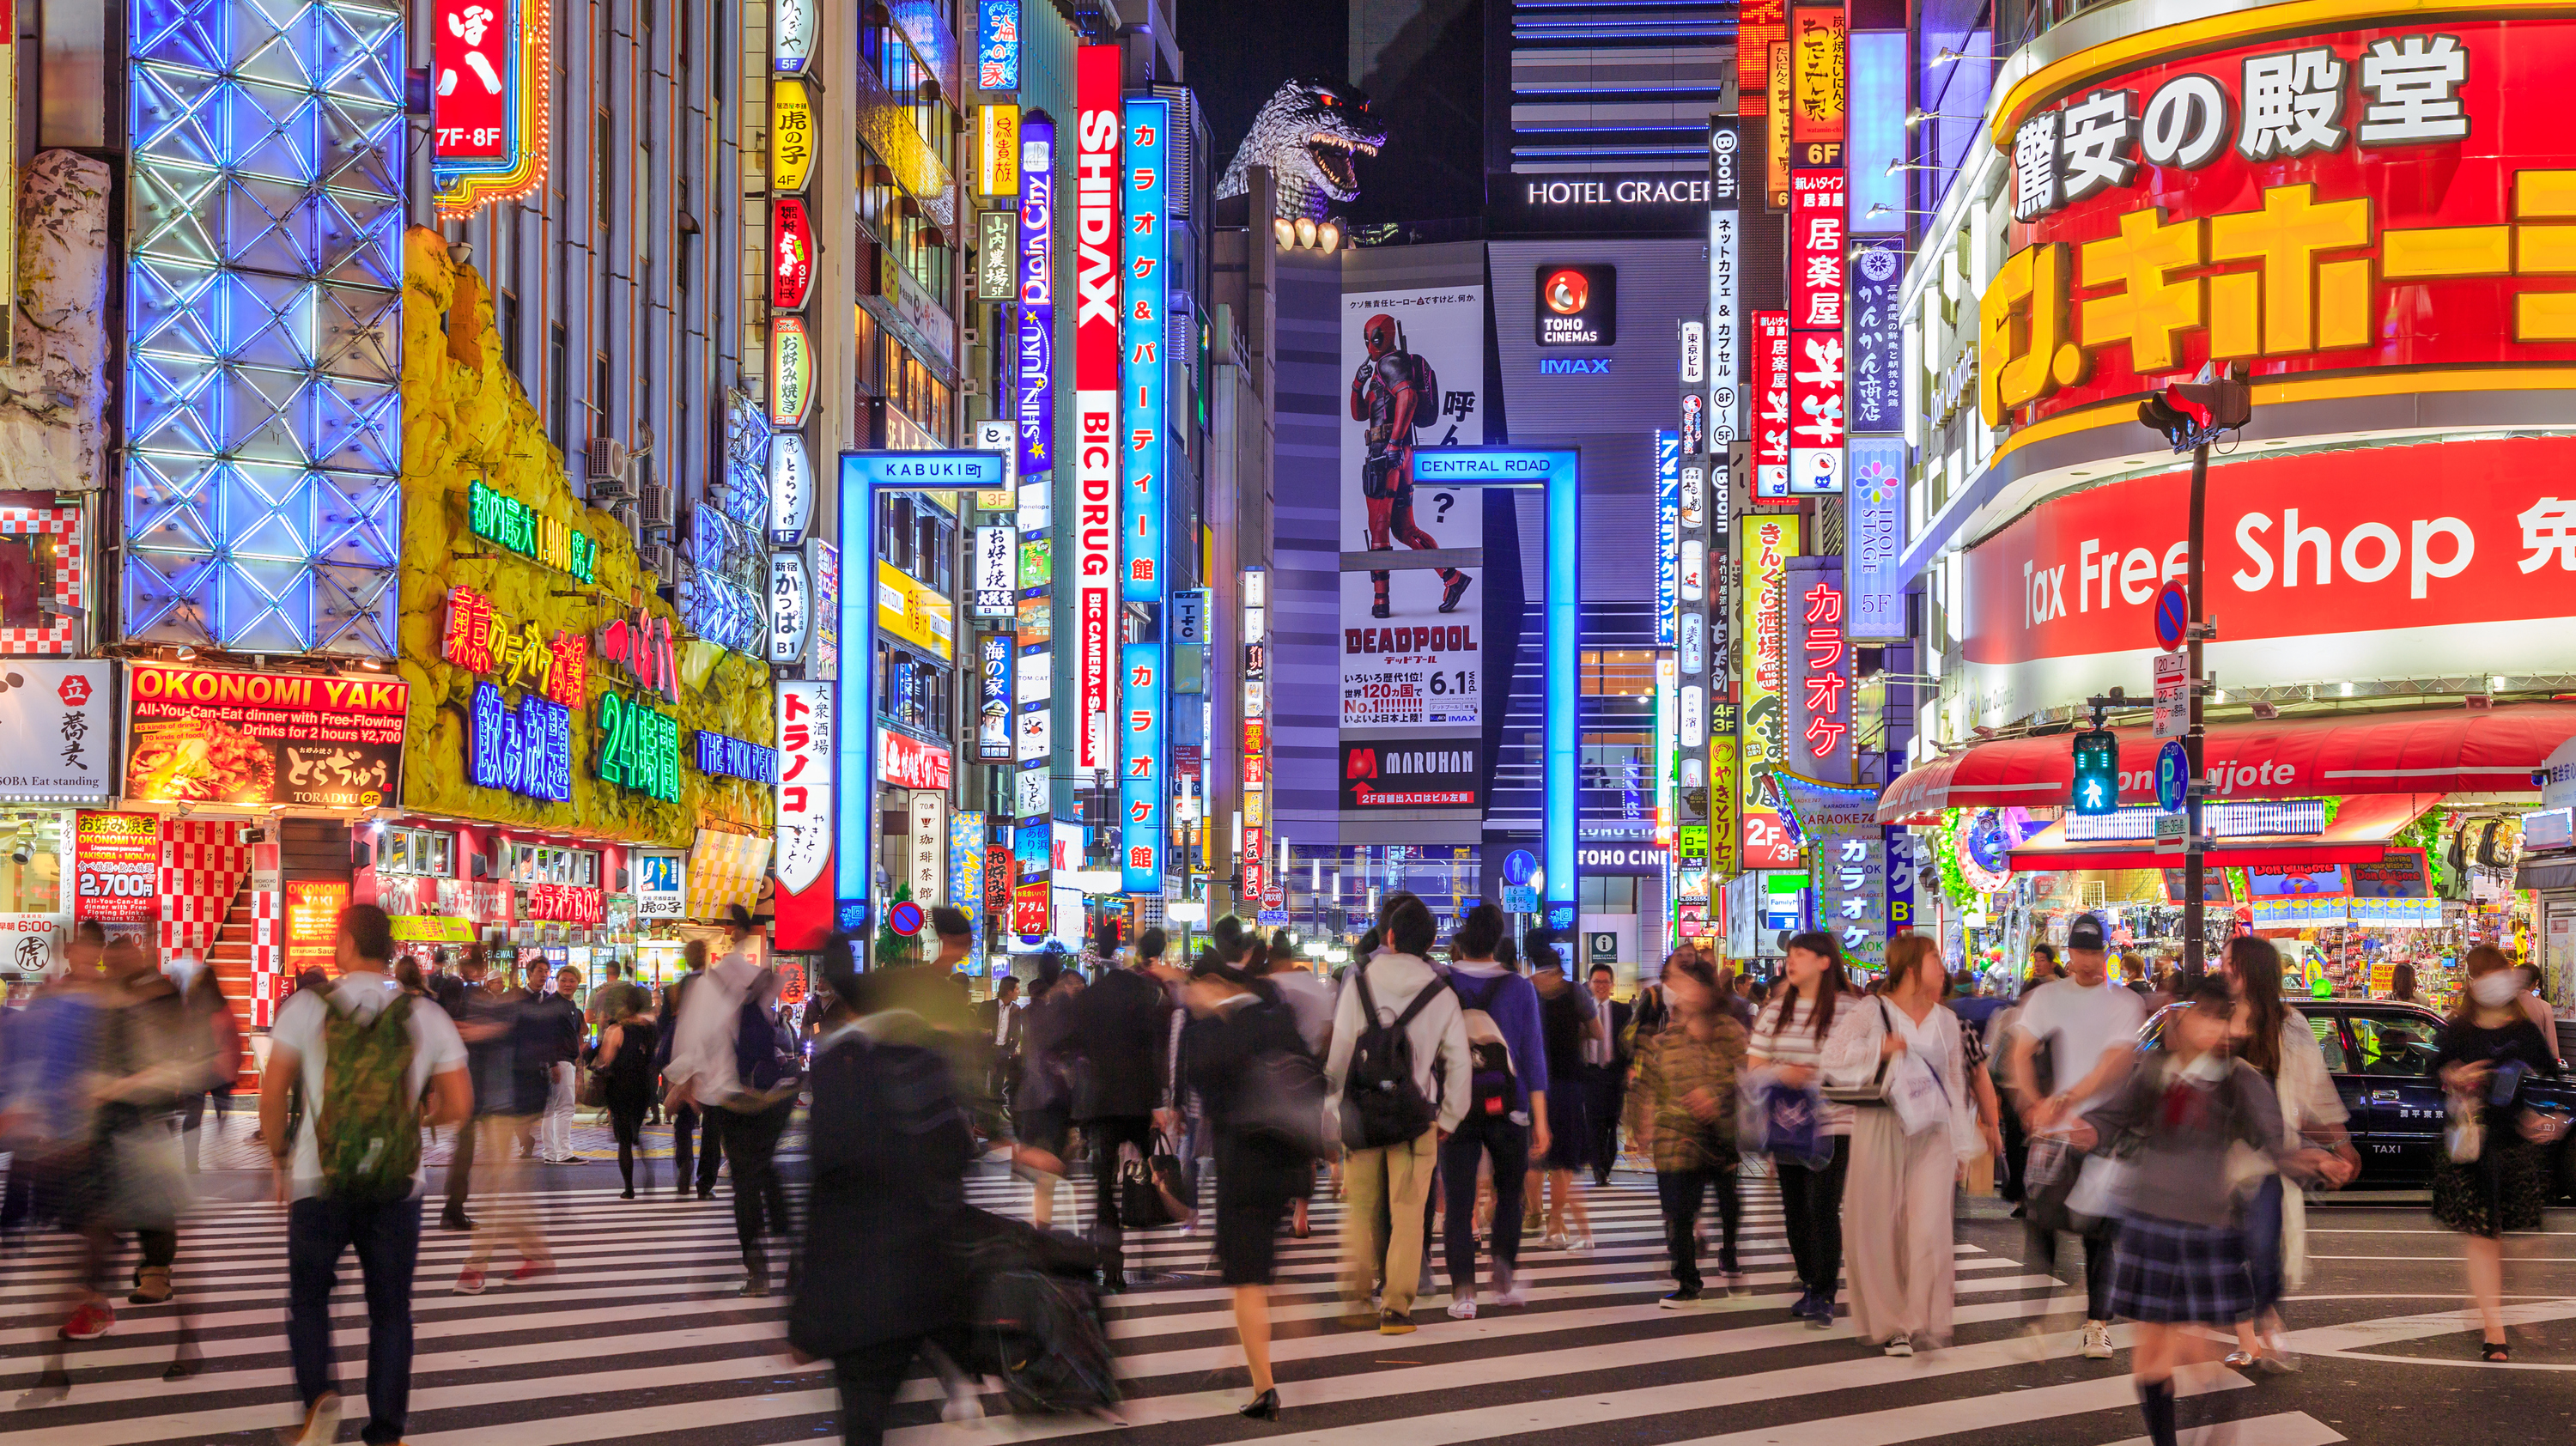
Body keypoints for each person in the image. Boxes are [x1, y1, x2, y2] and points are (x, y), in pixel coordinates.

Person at [2068, 976, 2341, 1446]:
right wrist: (2089, 1128)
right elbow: (2115, 1115)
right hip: (2149, 1220)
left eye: (2223, 1018)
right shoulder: (2154, 1070)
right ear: (2182, 1017)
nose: (2217, 1029)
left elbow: (2273, 1142)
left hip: (2207, 1226)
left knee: (2198, 1357)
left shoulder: (2238, 1079)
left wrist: (2313, 1159)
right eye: (2207, 1016)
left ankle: (2212, 1432)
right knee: (2152, 1353)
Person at [261, 903, 471, 1446]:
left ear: (347, 942)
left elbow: (273, 1092)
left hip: (318, 1177)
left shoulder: (307, 1006)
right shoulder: (425, 1014)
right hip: (398, 1185)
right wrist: (414, 1119)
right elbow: (460, 1105)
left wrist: (281, 1160)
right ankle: (386, 1432)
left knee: (309, 1297)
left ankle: (319, 1400)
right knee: (390, 1312)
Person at [790, 934, 978, 1446]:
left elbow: (824, 1187)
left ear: (850, 1012)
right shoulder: (929, 1064)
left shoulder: (840, 1073)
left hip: (858, 1281)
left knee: (864, 1419)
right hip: (925, 1273)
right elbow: (960, 1161)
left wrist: (805, 1314)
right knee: (878, 1411)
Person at [1826, 934, 2000, 1354]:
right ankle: (1891, 1322)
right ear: (1909, 969)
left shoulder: (1946, 1020)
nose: (1942, 966)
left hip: (1933, 1131)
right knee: (1881, 1226)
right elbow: (1832, 1058)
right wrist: (1878, 1049)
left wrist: (1962, 1145)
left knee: (1927, 1228)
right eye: (1934, 958)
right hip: (1882, 1127)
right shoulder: (1873, 1010)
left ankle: (1915, 1317)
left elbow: (1956, 1083)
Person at [1181, 946, 1317, 1419]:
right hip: (1284, 1161)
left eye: (1196, 986)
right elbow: (1310, 1076)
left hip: (1241, 1167)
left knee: (1247, 1280)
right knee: (1257, 1266)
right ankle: (1259, 1337)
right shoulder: (1275, 1017)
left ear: (1215, 983)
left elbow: (1202, 1095)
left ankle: (1264, 1388)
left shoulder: (1210, 1034)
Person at [1324, 892, 1469, 1334]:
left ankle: (1354, 1295)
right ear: (1430, 944)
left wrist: (1333, 1110)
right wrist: (1448, 1118)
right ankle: (1396, 1308)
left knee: (1362, 1207)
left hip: (1362, 1115)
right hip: (1414, 1118)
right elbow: (1459, 1061)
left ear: (1388, 936)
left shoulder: (1360, 981)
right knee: (1408, 1212)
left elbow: (1340, 1052)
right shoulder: (1440, 992)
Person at [2008, 912, 2146, 1360]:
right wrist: (2033, 1103)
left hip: (2105, 1132)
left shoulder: (2125, 1003)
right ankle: (2033, 1323)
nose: (2087, 961)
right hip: (2054, 1136)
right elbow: (2020, 1053)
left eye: (2095, 951)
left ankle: (2097, 1324)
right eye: (2080, 951)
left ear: (2108, 951)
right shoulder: (2047, 998)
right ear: (2069, 952)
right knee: (2040, 1227)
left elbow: (2116, 1061)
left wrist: (2068, 1099)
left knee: (2102, 1234)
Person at [2217, 935, 2359, 1370]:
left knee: (2262, 1250)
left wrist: (2339, 1144)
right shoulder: (2214, 1017)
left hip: (2267, 1160)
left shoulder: (2288, 1022)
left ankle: (2265, 1312)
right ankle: (2248, 1338)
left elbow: (2315, 1089)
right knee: (2226, 1251)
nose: (2223, 969)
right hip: (2218, 1158)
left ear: (2251, 971)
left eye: (2230, 963)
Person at [2433, 944, 2568, 1361]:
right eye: (2482, 974)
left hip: (2513, 1143)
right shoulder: (2459, 1028)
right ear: (2472, 982)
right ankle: (2494, 1329)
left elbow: (2550, 1072)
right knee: (2484, 1237)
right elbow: (2434, 1072)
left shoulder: (2523, 1030)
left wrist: (2544, 1116)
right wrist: (2457, 1076)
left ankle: (2497, 1301)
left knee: (2522, 1242)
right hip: (2473, 1144)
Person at [668, 904, 799, 1296]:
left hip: (733, 1096)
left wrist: (682, 1084)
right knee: (763, 1171)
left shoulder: (711, 983)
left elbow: (699, 1037)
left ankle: (759, 1269)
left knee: (746, 1181)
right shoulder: (748, 974)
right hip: (772, 1092)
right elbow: (770, 989)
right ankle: (792, 1252)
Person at [1441, 903, 1549, 1317]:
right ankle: (1503, 1275)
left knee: (1459, 1197)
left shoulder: (1442, 981)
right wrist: (1541, 1119)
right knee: (1509, 1196)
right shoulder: (1520, 988)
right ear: (1500, 941)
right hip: (1510, 1106)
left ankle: (1463, 1296)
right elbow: (1533, 1057)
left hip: (1456, 1103)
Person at [1063, 915, 1181, 1291]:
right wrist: (1160, 1102)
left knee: (1102, 1187)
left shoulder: (1087, 998)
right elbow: (1155, 1049)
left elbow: (1074, 1050)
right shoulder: (1144, 993)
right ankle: (1150, 1248)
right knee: (1152, 1169)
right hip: (1139, 1100)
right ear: (1126, 951)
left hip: (1099, 1102)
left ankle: (1113, 1268)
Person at [1749, 930, 1857, 1327]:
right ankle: (1811, 1284)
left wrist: (1820, 1075)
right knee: (1795, 1209)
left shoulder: (1850, 1010)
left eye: (1799, 954)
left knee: (1823, 1207)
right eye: (1789, 955)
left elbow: (1864, 1064)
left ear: (1824, 961)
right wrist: (1784, 1072)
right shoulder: (1775, 1011)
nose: (1790, 961)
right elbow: (1754, 1066)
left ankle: (1825, 1291)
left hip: (1834, 1123)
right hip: (1789, 1125)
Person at [1632, 949, 1749, 1308]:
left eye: (1683, 983)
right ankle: (1687, 1281)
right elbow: (1647, 1083)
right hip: (1674, 1139)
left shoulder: (1729, 1030)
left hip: (1719, 1134)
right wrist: (1641, 1123)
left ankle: (1728, 1249)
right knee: (1678, 1211)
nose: (1677, 990)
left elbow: (1748, 1076)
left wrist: (1715, 1095)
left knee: (1727, 1201)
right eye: (1672, 983)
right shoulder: (1667, 1037)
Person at [1349, 310, 1471, 618]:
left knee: (1379, 531)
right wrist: (1356, 385)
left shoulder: (1390, 363)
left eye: (1374, 337)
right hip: (1397, 453)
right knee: (1404, 529)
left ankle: (1381, 603)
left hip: (1386, 453)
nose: (1370, 344)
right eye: (1367, 338)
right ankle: (1452, 577)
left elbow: (1408, 399)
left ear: (1384, 336)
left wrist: (1391, 444)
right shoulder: (1385, 367)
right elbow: (1360, 414)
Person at [454, 957, 553, 1293]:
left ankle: (476, 1266)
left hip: (514, 1108)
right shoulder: (487, 1007)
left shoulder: (525, 1011)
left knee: (496, 1187)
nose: (494, 987)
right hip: (494, 1109)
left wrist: (488, 1030)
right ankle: (537, 1256)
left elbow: (531, 1031)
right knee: (504, 1187)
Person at [1251, 933, 1335, 1238]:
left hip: (1271, 1078)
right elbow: (1329, 1032)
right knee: (1305, 1148)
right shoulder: (1315, 986)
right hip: (1308, 1076)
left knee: (1272, 1143)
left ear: (1272, 960)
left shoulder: (1269, 988)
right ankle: (1301, 1213)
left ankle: (1275, 1201)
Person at [1529, 944, 1601, 1250]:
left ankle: (1547, 1219)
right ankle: (1556, 1223)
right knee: (1559, 1160)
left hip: (1541, 1084)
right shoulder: (1575, 993)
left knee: (1546, 1159)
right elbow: (1597, 1031)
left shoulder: (1528, 991)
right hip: (1563, 1084)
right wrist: (1576, 1034)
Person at [657, 940, 724, 1200]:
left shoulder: (674, 990)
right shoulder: (716, 986)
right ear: (705, 957)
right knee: (713, 1124)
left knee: (683, 1122)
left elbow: (663, 1029)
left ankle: (684, 1166)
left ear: (686, 959)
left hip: (682, 1062)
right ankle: (705, 1183)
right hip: (712, 1062)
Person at [590, 987, 660, 1198]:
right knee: (636, 1130)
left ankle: (629, 1189)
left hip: (620, 1088)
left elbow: (606, 1059)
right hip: (643, 1088)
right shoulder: (650, 1029)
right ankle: (647, 1167)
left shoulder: (617, 1029)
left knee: (624, 1141)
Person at [1587, 963, 1633, 1185]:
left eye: (1605, 982)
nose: (1601, 986)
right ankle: (1598, 1168)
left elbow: (1629, 1044)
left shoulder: (1623, 1011)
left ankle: (1607, 1163)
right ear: (1590, 984)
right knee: (1593, 1123)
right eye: (1597, 981)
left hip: (1614, 1075)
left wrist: (1631, 1069)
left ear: (1612, 985)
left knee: (1611, 1123)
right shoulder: (1584, 1010)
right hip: (1591, 1075)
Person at [537, 965, 585, 1163]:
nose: (567, 984)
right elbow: (546, 1037)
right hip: (559, 1061)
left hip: (559, 1060)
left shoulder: (569, 1004)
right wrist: (553, 1064)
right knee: (565, 1108)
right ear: (557, 981)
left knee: (550, 1110)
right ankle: (564, 1153)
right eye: (563, 980)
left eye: (571, 981)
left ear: (578, 983)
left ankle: (551, 1153)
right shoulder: (554, 1004)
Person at [586, 958, 650, 1031]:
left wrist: (604, 1020)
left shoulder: (596, 991)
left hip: (604, 1035)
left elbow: (588, 1018)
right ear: (619, 973)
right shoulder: (631, 989)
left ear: (606, 973)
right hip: (627, 1033)